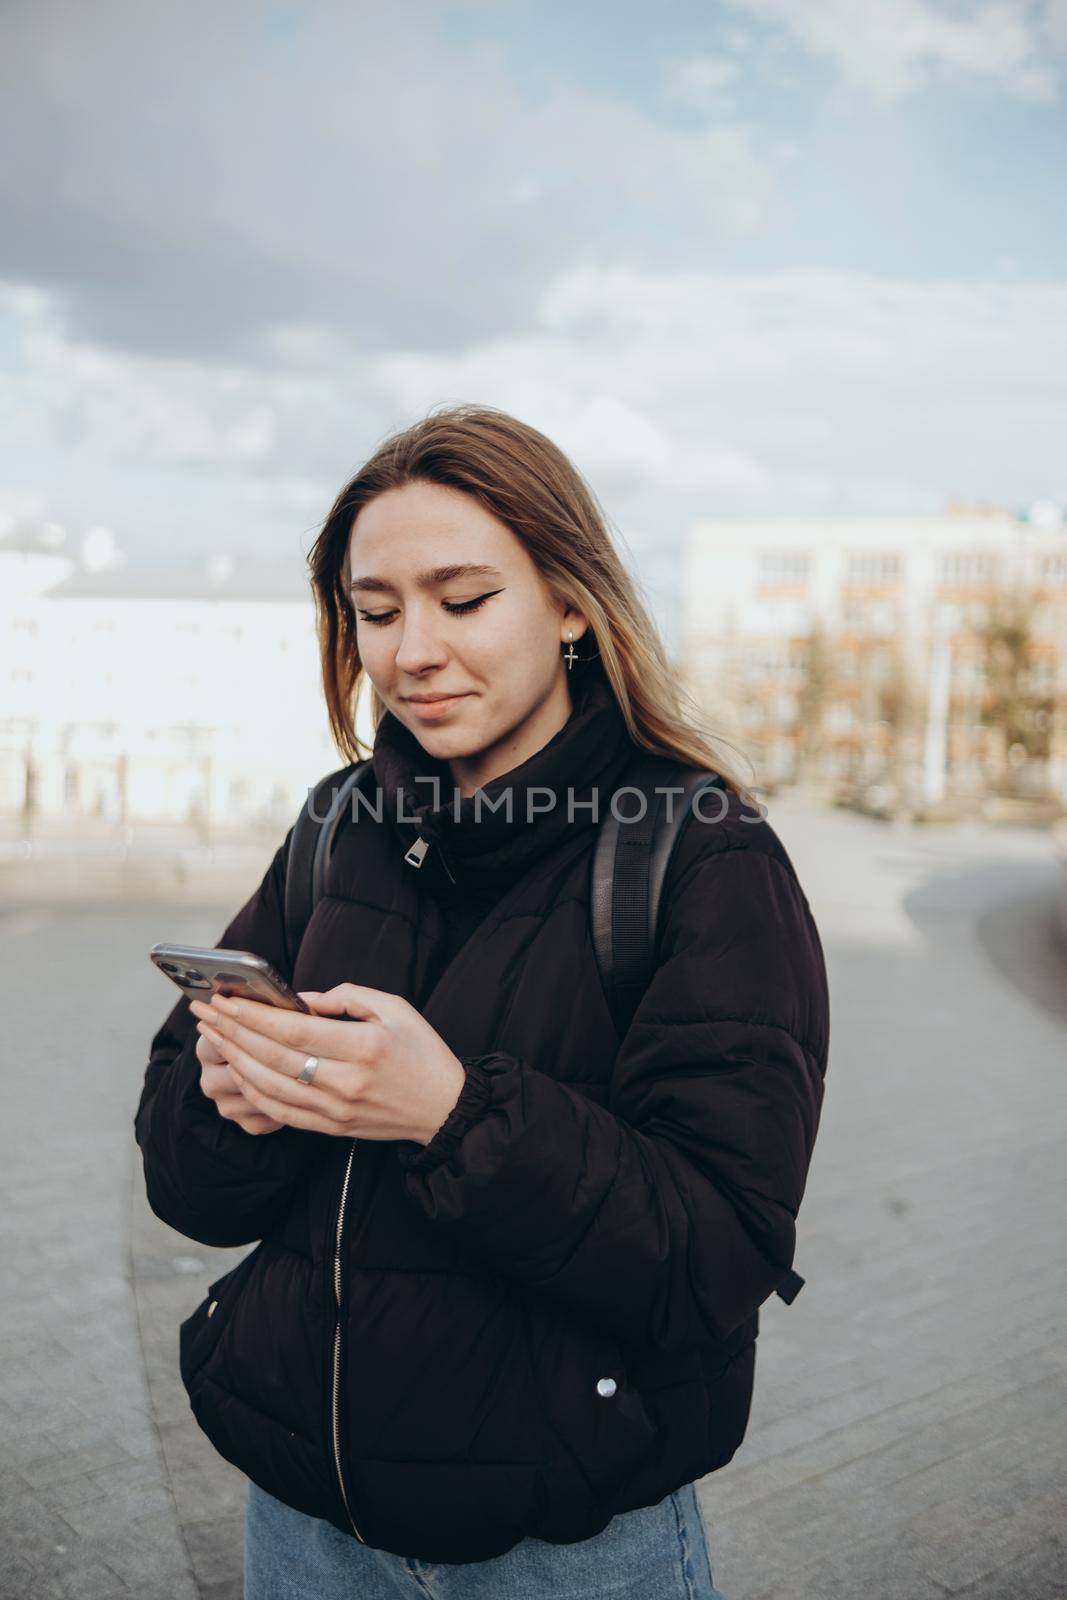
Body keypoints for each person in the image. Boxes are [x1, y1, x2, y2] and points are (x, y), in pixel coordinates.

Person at [134, 404, 830, 1600]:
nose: (411, 651)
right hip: (303, 1527)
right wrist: (230, 1101)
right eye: (376, 609)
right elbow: (185, 1185)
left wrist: (450, 1114)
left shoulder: (701, 855)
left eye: (462, 601)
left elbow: (714, 1256)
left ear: (569, 601)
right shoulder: (333, 826)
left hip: (566, 1549)